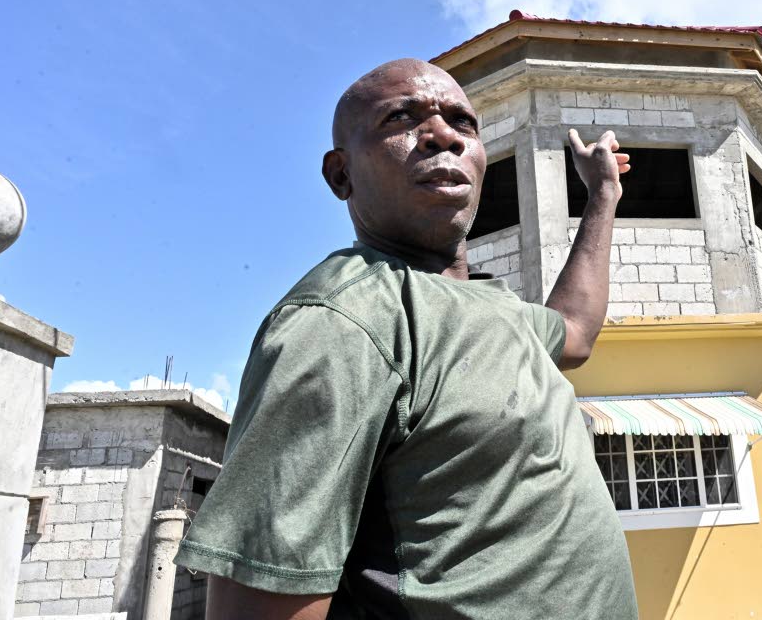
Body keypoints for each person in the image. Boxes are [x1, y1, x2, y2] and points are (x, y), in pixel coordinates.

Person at [175, 58, 639, 619]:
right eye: (401, 117)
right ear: (340, 174)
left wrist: (602, 197)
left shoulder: (499, 307)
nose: (442, 134)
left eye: (462, 123)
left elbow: (576, 332)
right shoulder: (342, 322)